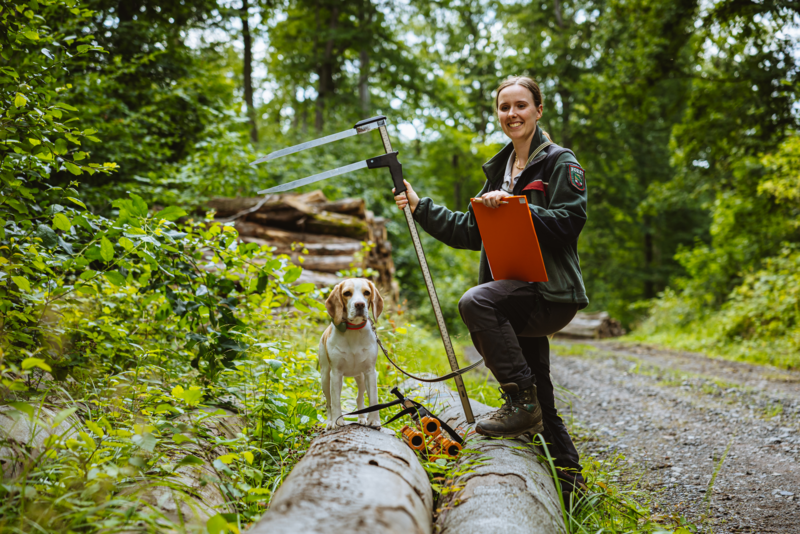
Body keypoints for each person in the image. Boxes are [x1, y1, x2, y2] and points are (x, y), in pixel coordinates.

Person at [393, 75, 589, 500]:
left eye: (521, 106)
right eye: (504, 107)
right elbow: (469, 231)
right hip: (512, 293)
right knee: (541, 392)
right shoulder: (499, 169)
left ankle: (520, 403)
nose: (512, 114)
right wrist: (420, 205)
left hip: (548, 292)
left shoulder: (559, 162)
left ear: (538, 110)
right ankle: (573, 488)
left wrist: (517, 210)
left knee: (475, 302)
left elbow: (571, 220)